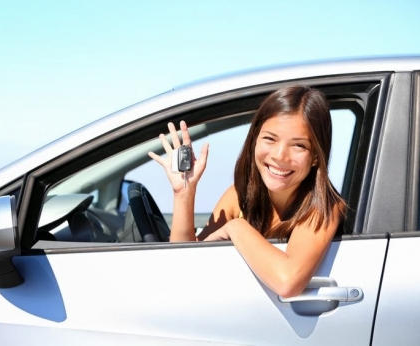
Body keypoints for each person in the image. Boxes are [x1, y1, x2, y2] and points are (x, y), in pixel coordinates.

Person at [148, 85, 346, 298]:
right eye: (270, 139)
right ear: (254, 141)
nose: (280, 156)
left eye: (298, 145)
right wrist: (184, 193)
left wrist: (235, 227)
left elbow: (288, 282)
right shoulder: (239, 196)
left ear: (316, 156)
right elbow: (185, 264)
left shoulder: (324, 206)